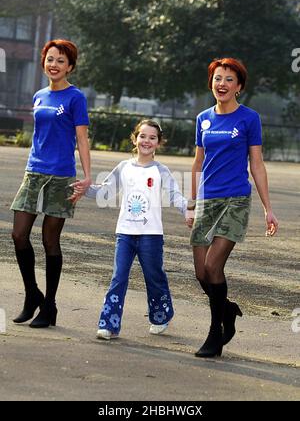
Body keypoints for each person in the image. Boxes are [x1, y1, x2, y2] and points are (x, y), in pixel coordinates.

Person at [188, 57, 279, 357]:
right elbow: (198, 163)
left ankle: (215, 333)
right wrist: (192, 203)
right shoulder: (203, 118)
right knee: (202, 273)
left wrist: (268, 208)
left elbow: (257, 163)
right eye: (217, 78)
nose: (222, 84)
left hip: (235, 200)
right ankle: (227, 310)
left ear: (238, 86)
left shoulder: (248, 118)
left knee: (214, 266)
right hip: (206, 200)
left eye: (229, 79)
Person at [71, 119, 190, 339]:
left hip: (151, 236)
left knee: (154, 276)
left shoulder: (161, 171)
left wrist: (187, 210)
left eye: (152, 138)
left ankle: (161, 315)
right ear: (134, 139)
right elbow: (104, 192)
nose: (147, 141)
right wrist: (85, 188)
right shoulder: (124, 167)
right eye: (142, 136)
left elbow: (175, 195)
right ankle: (109, 324)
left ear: (158, 143)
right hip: (125, 233)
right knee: (119, 277)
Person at [11, 39, 91, 328]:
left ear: (70, 66)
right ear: (44, 61)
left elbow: (81, 138)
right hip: (34, 172)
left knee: (49, 240)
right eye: (50, 59)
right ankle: (32, 294)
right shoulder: (40, 95)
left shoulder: (75, 98)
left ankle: (50, 306)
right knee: (19, 235)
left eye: (61, 60)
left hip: (61, 176)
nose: (54, 64)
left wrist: (86, 175)